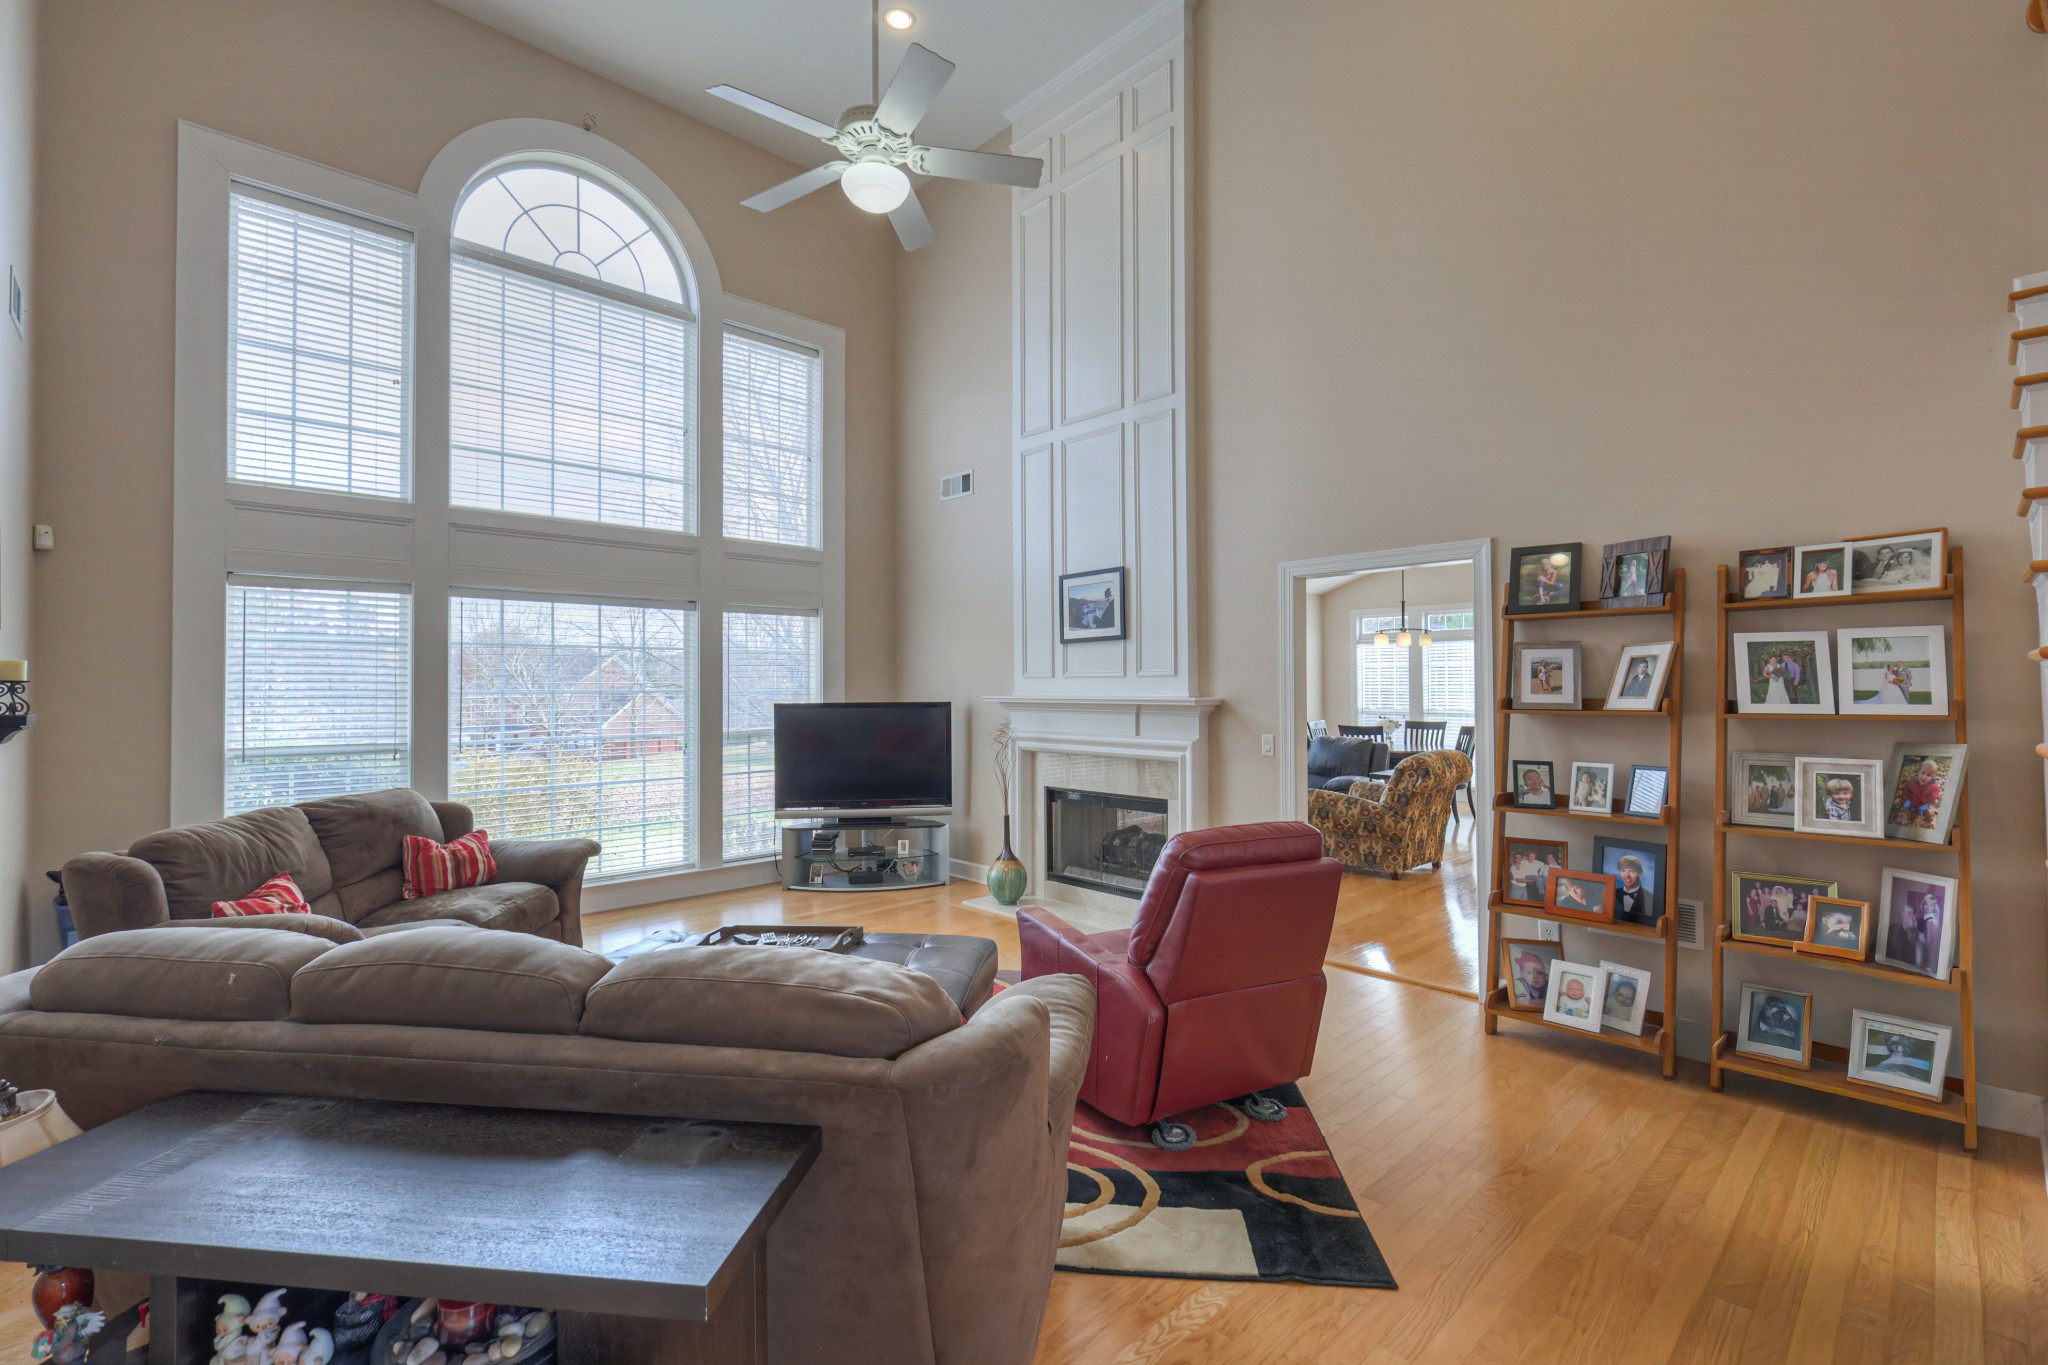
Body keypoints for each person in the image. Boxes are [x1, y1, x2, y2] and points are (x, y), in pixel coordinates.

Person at [1894, 757, 1944, 829]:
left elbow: (1934, 794)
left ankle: (1919, 823)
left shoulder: (1933, 787)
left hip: (1923, 804)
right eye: (1923, 773)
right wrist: (1905, 799)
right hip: (1911, 801)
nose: (1924, 777)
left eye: (1928, 775)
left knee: (1924, 813)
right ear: (1918, 772)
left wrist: (1935, 800)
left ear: (1933, 776)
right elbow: (1906, 790)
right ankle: (1902, 819)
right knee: (1904, 809)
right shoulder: (1912, 783)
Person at [1612, 854, 1652, 923]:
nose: (1627, 875)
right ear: (1619, 872)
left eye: (1632, 871)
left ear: (1640, 873)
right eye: (1623, 870)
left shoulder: (1650, 897)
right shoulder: (1612, 894)